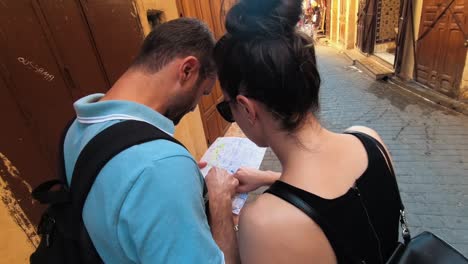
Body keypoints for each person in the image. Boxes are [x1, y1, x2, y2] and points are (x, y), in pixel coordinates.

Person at [214, 0, 401, 263]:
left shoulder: (265, 223)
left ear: (246, 108)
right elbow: (340, 198)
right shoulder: (370, 141)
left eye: (227, 107)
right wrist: (270, 177)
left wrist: (221, 208)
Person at [64, 18, 239, 263]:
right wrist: (220, 200)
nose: (194, 107)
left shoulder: (77, 128)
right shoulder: (160, 165)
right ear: (187, 70)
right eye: (203, 92)